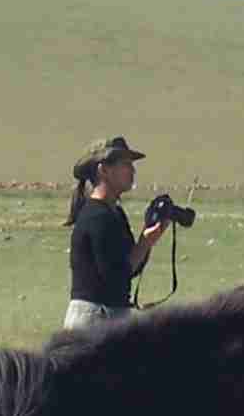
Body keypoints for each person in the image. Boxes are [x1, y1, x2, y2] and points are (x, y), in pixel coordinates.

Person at [63, 134, 169, 330]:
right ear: (104, 170)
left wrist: (148, 240)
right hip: (95, 320)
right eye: (125, 164)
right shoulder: (97, 217)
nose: (132, 170)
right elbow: (116, 277)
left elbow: (130, 268)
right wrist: (145, 243)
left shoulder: (114, 213)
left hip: (107, 318)